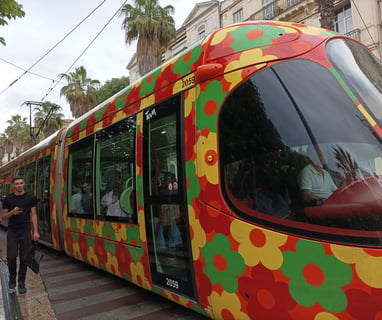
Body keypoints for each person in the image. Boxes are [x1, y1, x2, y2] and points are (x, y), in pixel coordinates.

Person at [1, 176, 40, 294]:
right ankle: (12, 278)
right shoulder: (8, 199)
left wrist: (36, 231)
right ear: (13, 186)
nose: (19, 185)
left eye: (21, 183)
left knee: (24, 258)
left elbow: (33, 215)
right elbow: (3, 217)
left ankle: (21, 282)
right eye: (16, 184)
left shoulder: (30, 198)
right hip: (13, 231)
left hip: (25, 231)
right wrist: (12, 212)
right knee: (11, 256)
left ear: (24, 184)